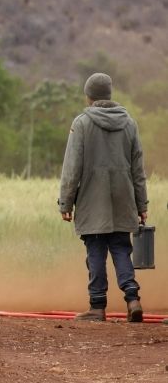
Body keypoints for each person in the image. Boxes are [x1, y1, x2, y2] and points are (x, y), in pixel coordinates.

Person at [58, 73, 150, 322]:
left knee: (96, 250)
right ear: (109, 95)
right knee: (121, 248)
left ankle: (97, 307)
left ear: (89, 96)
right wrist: (142, 204)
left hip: (91, 199)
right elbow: (137, 170)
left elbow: (72, 167)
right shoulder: (129, 123)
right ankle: (133, 299)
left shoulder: (82, 123)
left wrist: (65, 202)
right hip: (124, 199)